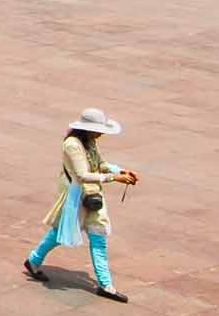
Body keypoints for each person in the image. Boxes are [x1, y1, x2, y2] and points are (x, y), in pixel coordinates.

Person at [23, 107, 139, 302]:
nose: (101, 134)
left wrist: (121, 170)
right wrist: (114, 178)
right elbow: (82, 174)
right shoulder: (72, 145)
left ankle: (105, 284)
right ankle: (34, 260)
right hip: (76, 196)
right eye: (99, 130)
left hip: (92, 194)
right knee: (60, 232)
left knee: (98, 237)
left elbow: (100, 163)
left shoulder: (90, 141)